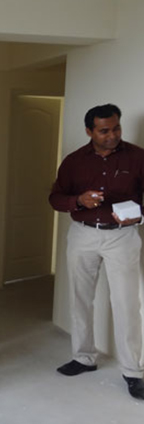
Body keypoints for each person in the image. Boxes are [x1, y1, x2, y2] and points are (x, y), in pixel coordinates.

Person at [49, 103, 144, 400]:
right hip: (83, 236)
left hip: (123, 237)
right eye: (104, 130)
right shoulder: (74, 161)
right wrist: (78, 200)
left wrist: (138, 214)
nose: (112, 135)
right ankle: (83, 357)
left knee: (127, 303)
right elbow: (55, 197)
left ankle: (133, 372)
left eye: (116, 128)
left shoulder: (139, 157)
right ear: (90, 131)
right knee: (80, 297)